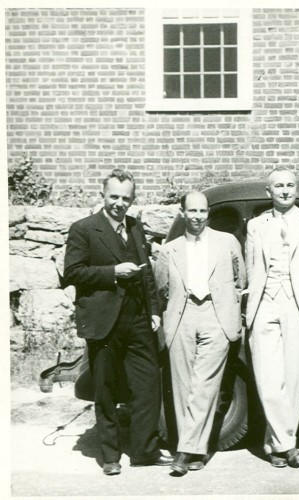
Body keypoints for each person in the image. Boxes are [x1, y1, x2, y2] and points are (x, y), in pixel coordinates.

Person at [63, 169, 171, 475]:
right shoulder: (83, 229)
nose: (119, 204)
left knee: (148, 385)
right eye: (114, 197)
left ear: (133, 200)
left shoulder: (135, 227)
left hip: (138, 320)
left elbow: (146, 272)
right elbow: (73, 272)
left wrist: (154, 311)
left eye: (126, 198)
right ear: (103, 196)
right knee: (106, 389)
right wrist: (112, 272)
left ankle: (145, 450)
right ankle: (109, 455)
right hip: (103, 322)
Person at [245, 167, 299, 468]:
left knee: (293, 381)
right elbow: (252, 268)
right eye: (278, 186)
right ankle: (289, 444)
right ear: (268, 192)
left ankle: (273, 445)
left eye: (290, 185)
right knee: (268, 381)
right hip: (264, 305)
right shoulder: (256, 226)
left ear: (297, 189)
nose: (285, 190)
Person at [155, 191, 246, 475]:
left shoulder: (226, 242)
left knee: (204, 384)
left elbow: (239, 278)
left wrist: (226, 305)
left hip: (216, 315)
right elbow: (163, 288)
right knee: (182, 385)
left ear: (209, 213)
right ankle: (194, 449)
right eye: (191, 211)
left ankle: (186, 451)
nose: (197, 216)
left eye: (202, 211)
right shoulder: (169, 250)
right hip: (182, 315)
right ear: (182, 213)